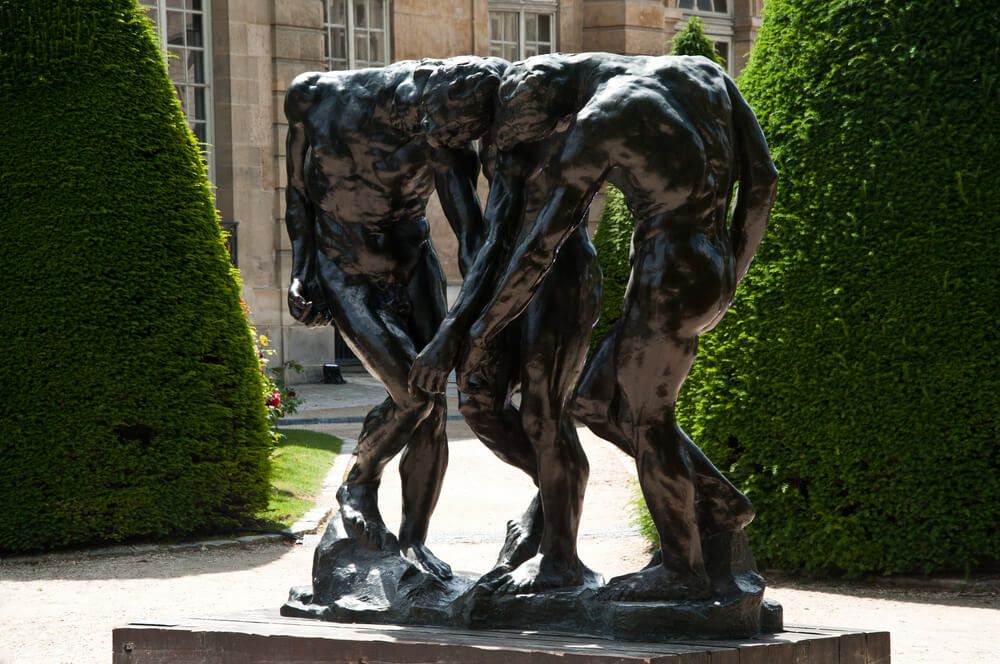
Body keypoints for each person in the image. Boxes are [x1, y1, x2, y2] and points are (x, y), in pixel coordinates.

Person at [410, 53, 778, 599]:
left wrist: (480, 331)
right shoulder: (701, 72)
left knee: (646, 417)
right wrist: (731, 272)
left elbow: (540, 249)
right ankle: (719, 501)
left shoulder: (596, 124)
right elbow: (763, 180)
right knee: (592, 404)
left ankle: (681, 569)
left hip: (666, 272)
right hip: (710, 264)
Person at [283, 56, 508, 580]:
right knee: (414, 396)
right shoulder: (314, 96)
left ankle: (413, 541)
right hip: (344, 267)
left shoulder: (442, 132)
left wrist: (487, 317)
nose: (447, 146)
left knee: (432, 409)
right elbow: (298, 194)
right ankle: (358, 483)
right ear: (423, 103)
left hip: (412, 264)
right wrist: (301, 270)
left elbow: (470, 233)